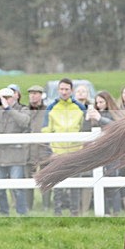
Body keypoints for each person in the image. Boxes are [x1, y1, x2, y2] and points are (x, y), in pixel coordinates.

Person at [42, 78, 86, 216]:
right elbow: (45, 131)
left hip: (75, 152)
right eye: (61, 89)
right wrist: (50, 151)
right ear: (58, 90)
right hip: (58, 152)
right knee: (58, 185)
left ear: (71, 90)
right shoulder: (51, 108)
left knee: (75, 185)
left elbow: (85, 130)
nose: (64, 91)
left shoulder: (80, 107)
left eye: (67, 89)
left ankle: (74, 212)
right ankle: (58, 212)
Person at [0, 87, 30, 216]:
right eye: (2, 98)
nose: (4, 100)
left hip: (16, 155)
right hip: (0, 155)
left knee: (17, 188)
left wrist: (8, 109)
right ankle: (4, 213)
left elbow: (24, 122)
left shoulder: (23, 109)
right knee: (0, 189)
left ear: (14, 97)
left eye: (7, 98)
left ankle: (22, 213)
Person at [85, 91, 123, 215]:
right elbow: (85, 131)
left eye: (101, 102)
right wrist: (87, 119)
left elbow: (116, 126)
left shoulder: (114, 113)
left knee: (113, 183)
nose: (99, 104)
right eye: (97, 102)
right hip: (98, 153)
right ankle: (105, 211)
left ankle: (116, 211)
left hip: (113, 152)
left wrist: (100, 118)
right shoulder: (95, 114)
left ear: (108, 102)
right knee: (100, 182)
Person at [25, 85, 51, 211]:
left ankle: (46, 205)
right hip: (29, 151)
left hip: (44, 150)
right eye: (31, 93)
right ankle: (29, 206)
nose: (33, 96)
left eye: (36, 93)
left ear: (41, 95)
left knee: (46, 178)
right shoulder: (25, 110)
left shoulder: (47, 110)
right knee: (28, 180)